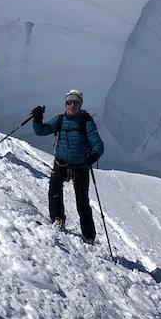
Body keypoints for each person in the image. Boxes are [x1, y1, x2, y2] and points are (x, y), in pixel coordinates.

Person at [31, 89, 104, 242]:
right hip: (61, 164)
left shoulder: (86, 122)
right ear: (65, 104)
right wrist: (37, 119)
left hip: (81, 167)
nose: (72, 105)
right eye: (69, 102)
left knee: (82, 201)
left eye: (75, 103)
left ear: (80, 105)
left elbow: (98, 143)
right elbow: (41, 131)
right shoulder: (60, 120)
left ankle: (89, 236)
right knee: (54, 190)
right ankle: (58, 219)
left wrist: (94, 154)